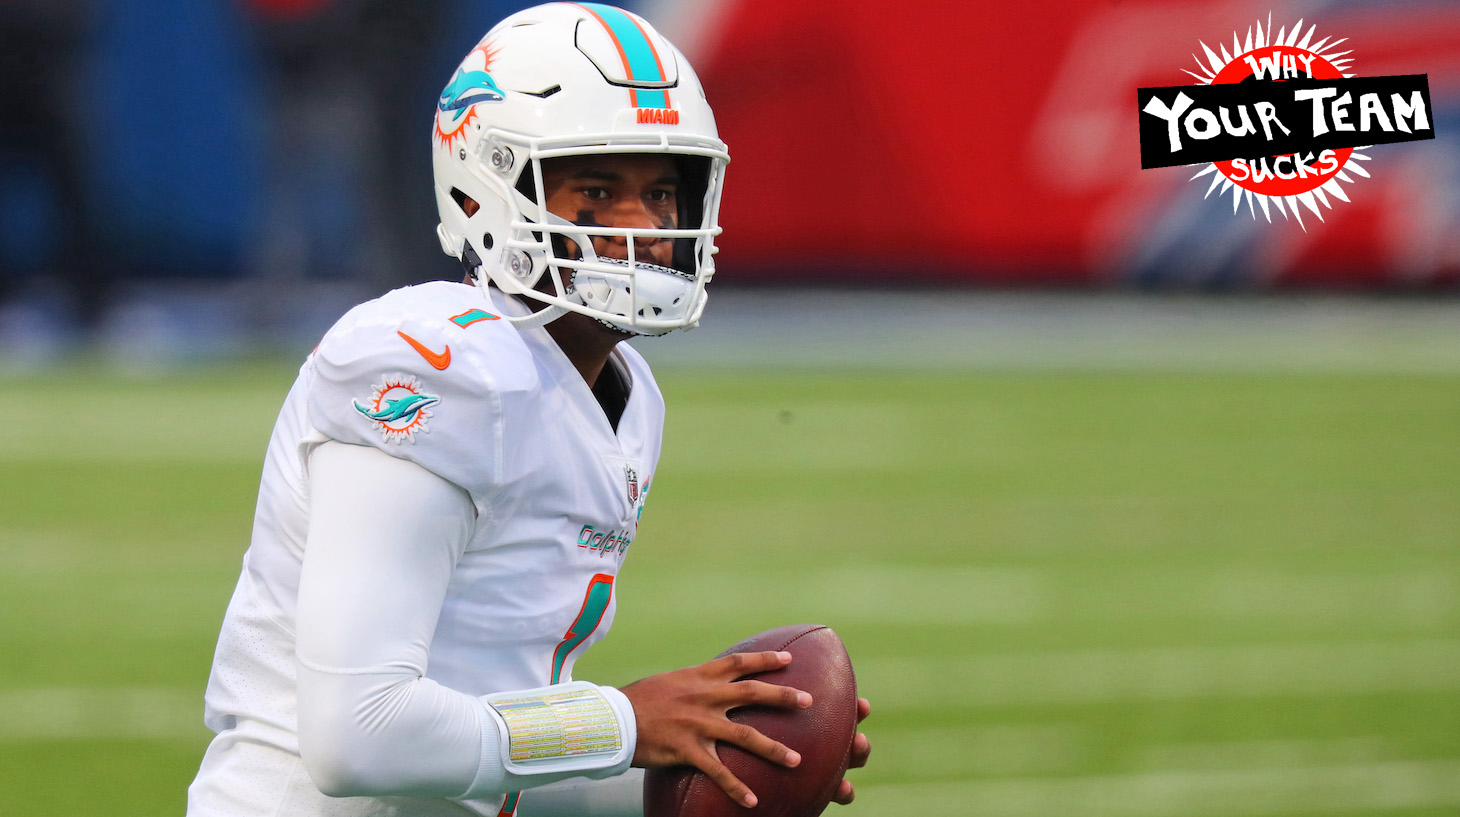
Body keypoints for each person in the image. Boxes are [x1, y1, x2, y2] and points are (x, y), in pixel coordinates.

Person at [186, 4, 870, 816]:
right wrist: (625, 720)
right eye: (596, 188)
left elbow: (492, 753)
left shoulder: (627, 393)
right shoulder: (432, 361)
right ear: (487, 190)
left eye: (660, 190)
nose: (642, 227)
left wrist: (721, 759)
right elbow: (358, 734)